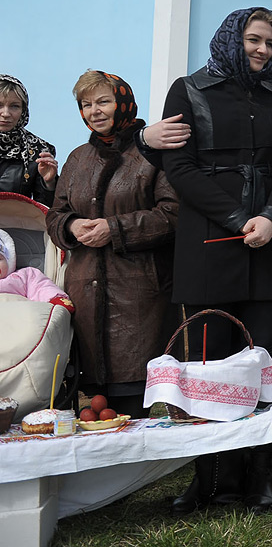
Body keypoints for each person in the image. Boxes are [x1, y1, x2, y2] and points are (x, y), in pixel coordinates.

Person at [162, 8, 272, 515]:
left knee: (264, 367)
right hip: (208, 247)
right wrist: (238, 216)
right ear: (231, 38)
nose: (263, 49)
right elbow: (178, 165)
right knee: (210, 369)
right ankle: (215, 480)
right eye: (254, 40)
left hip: (269, 245)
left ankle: (261, 478)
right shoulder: (189, 90)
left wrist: (268, 216)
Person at [45, 71, 179, 418]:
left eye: (103, 101)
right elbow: (56, 214)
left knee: (132, 405)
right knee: (94, 409)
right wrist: (72, 225)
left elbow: (173, 213)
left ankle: (138, 470)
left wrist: (114, 228)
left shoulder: (152, 153)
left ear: (123, 102)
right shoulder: (77, 159)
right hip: (85, 294)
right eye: (86, 104)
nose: (94, 111)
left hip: (139, 295)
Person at [0, 74, 58, 205]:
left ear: (24, 110)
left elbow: (43, 213)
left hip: (13, 224)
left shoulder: (38, 149)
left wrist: (49, 183)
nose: (6, 113)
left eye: (14, 106)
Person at [0, 227, 73, 308]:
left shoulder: (24, 276)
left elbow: (41, 287)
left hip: (19, 312)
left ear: (9, 260)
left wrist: (55, 298)